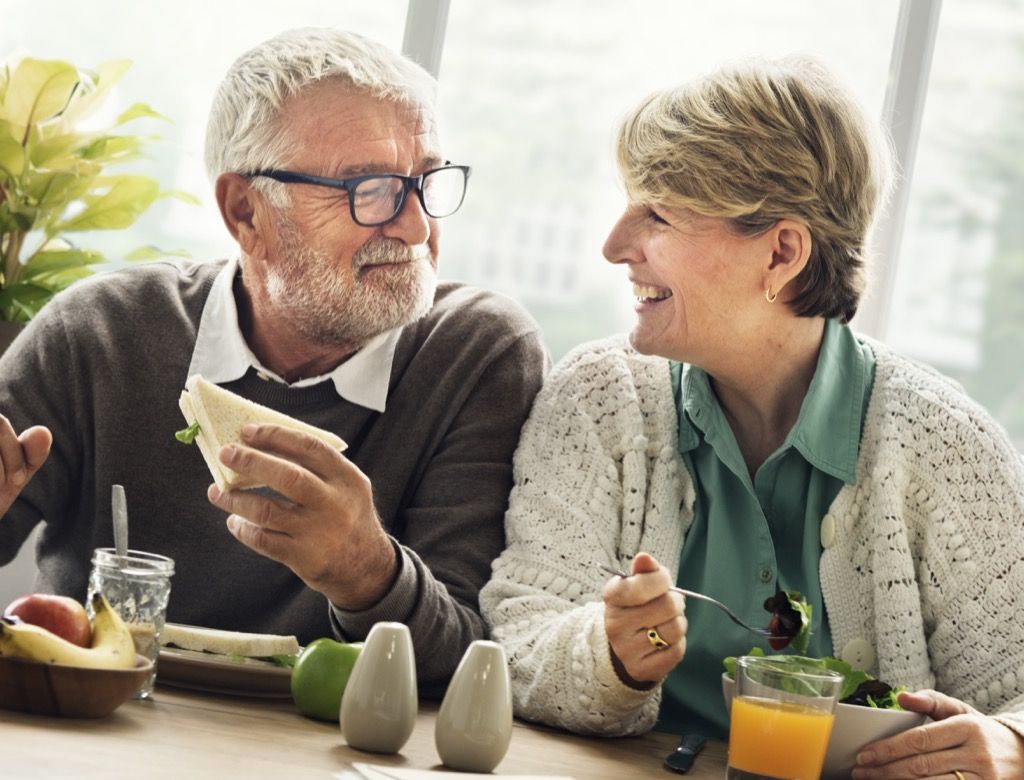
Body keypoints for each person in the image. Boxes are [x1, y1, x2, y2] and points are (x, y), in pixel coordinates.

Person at [480, 56, 1024, 776]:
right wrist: (611, 656)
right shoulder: (598, 398)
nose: (615, 246)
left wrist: (1011, 743)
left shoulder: (946, 445)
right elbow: (517, 639)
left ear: (782, 252)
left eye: (660, 214)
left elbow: (1017, 687)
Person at [0, 28, 547, 693]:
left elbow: (470, 665)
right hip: (97, 721)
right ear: (245, 210)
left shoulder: (476, 355)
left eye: (427, 182)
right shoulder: (100, 334)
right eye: (369, 190)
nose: (415, 227)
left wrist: (365, 571)